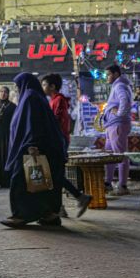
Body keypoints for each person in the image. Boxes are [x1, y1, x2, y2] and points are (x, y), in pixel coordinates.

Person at [0, 73, 67, 228]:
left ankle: (20, 215)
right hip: (39, 146)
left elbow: (33, 123)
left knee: (21, 180)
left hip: (32, 146)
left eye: (17, 86)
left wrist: (32, 144)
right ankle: (48, 215)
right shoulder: (34, 97)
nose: (16, 89)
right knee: (41, 182)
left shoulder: (30, 98)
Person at [41, 74, 92, 218]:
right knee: (55, 175)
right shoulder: (54, 100)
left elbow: (57, 121)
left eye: (44, 85)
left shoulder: (59, 101)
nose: (42, 88)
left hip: (59, 141)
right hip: (58, 140)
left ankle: (74, 200)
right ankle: (64, 205)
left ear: (52, 86)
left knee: (55, 174)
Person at [102, 65, 133, 196]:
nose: (107, 77)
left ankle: (122, 185)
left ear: (115, 74)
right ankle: (108, 183)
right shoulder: (118, 85)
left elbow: (125, 101)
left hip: (117, 124)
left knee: (120, 155)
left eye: (108, 74)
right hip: (112, 125)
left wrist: (119, 113)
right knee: (110, 155)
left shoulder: (120, 85)